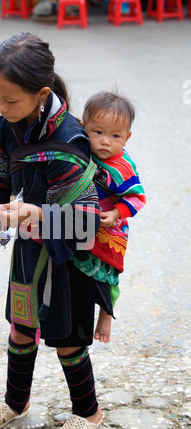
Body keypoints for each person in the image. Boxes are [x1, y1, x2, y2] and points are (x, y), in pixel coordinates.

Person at [0, 33, 114, 429]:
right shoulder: (4, 129)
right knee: (20, 330)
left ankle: (88, 410)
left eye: (10, 100)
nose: (1, 107)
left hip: (68, 258)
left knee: (67, 340)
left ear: (42, 93)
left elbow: (86, 224)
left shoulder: (71, 140)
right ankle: (16, 402)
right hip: (28, 252)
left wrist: (35, 213)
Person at [82, 90, 146, 344]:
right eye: (97, 132)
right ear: (83, 127)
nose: (105, 142)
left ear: (127, 137)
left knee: (108, 275)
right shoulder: (79, 152)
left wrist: (117, 212)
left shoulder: (123, 167)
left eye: (115, 136)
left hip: (111, 226)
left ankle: (106, 313)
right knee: (83, 269)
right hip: (82, 221)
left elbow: (137, 198)